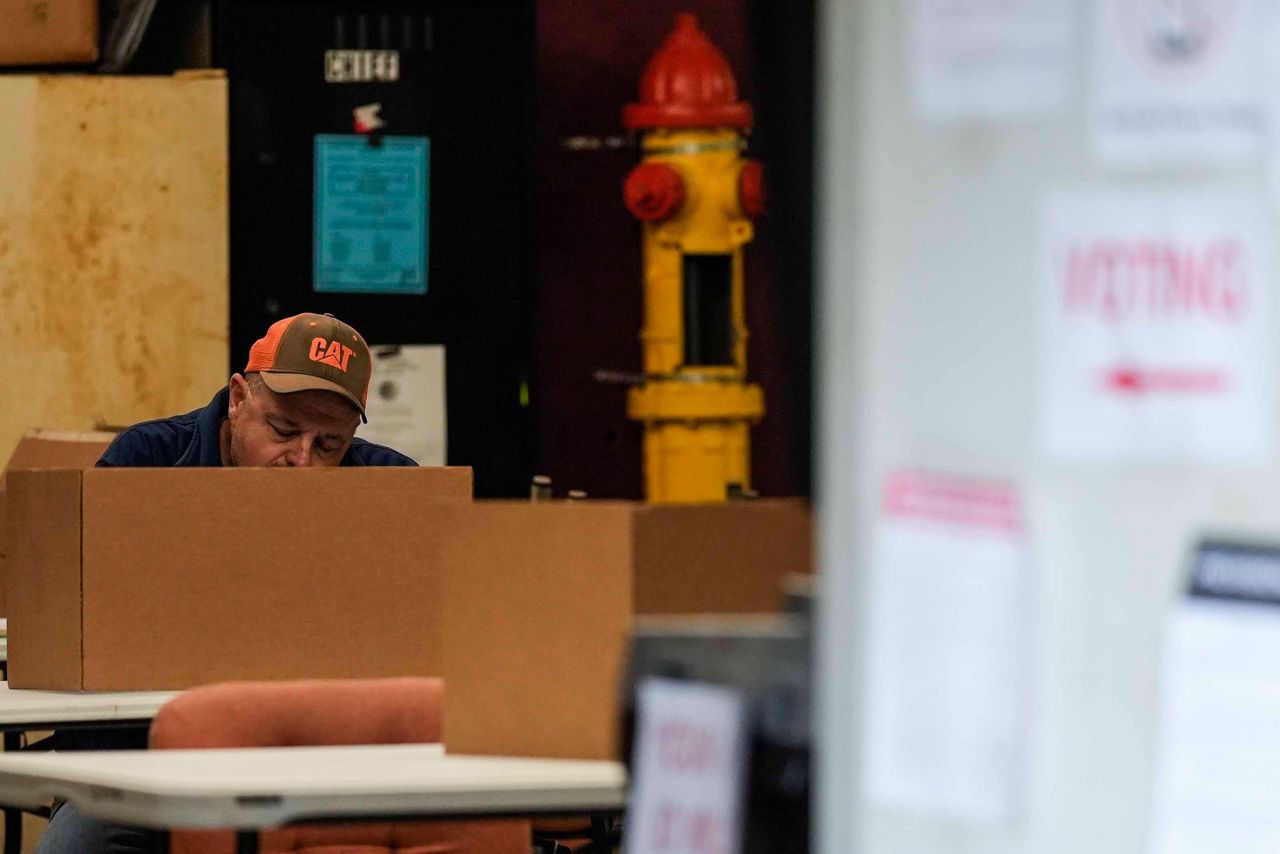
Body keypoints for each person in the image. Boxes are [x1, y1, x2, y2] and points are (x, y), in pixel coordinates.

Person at [37, 312, 416, 854]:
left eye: (329, 445)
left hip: (325, 774)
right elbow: (84, 627)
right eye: (283, 431)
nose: (302, 463)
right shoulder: (146, 465)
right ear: (238, 398)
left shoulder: (393, 490)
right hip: (143, 773)